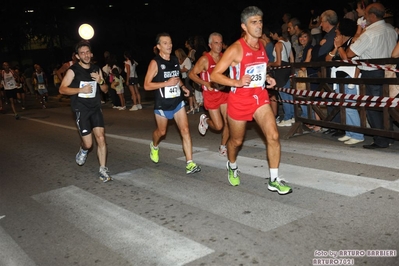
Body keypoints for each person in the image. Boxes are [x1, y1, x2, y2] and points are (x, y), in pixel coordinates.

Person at [210, 6, 292, 195]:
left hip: (260, 98)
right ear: (244, 26)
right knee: (236, 141)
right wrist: (236, 82)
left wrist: (267, 78)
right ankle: (232, 165)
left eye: (260, 21)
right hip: (239, 101)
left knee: (273, 136)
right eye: (254, 22)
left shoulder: (262, 45)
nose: (258, 25)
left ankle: (273, 180)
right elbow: (215, 75)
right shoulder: (235, 49)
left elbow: (259, 70)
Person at [143, 32, 201, 175]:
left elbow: (176, 78)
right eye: (165, 43)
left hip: (177, 101)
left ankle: (189, 163)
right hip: (162, 103)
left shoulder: (175, 60)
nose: (169, 45)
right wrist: (165, 83)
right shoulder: (155, 63)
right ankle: (154, 146)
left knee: (185, 130)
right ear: (158, 46)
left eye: (170, 42)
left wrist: (183, 87)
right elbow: (146, 85)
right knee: (161, 132)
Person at [59, 40, 112, 182]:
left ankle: (102, 169)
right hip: (81, 109)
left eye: (87, 52)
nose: (86, 55)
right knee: (89, 144)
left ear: (91, 53)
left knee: (101, 137)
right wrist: (80, 90)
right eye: (82, 53)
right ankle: (83, 150)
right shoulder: (73, 70)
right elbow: (62, 89)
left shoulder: (96, 69)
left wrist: (101, 81)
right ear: (77, 56)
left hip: (95, 108)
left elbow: (105, 90)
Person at [346, 2, 397, 149]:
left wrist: (359, 34)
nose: (364, 17)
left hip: (372, 73)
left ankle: (380, 139)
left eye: (366, 14)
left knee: (372, 106)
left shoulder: (369, 33)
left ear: (373, 16)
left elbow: (350, 53)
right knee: (387, 105)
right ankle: (390, 136)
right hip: (389, 72)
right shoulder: (391, 29)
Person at [188, 32, 230, 156]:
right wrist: (205, 83)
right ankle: (205, 120)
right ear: (210, 45)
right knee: (218, 126)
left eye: (220, 43)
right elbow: (191, 74)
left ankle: (223, 146)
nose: (219, 45)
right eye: (216, 43)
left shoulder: (224, 57)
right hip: (211, 95)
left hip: (224, 93)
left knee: (228, 122)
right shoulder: (205, 59)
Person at [326, 18, 364, 145]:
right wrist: (335, 48)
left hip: (350, 78)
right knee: (344, 107)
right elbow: (327, 59)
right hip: (339, 78)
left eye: (338, 28)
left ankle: (358, 135)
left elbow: (347, 59)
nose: (336, 30)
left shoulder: (352, 41)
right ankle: (349, 132)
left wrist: (340, 47)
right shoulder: (338, 42)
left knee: (350, 106)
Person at [269, 25, 295, 127]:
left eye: (271, 34)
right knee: (288, 94)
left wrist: (270, 64)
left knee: (283, 95)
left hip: (280, 71)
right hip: (287, 68)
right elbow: (292, 58)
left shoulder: (278, 44)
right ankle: (292, 116)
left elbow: (278, 62)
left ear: (275, 33)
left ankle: (287, 117)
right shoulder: (287, 42)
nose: (271, 36)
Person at [174, 48, 194, 114]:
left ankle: (191, 107)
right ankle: (194, 105)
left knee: (189, 92)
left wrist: (180, 70)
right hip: (183, 77)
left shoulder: (186, 59)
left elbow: (186, 69)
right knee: (185, 92)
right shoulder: (178, 60)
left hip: (189, 77)